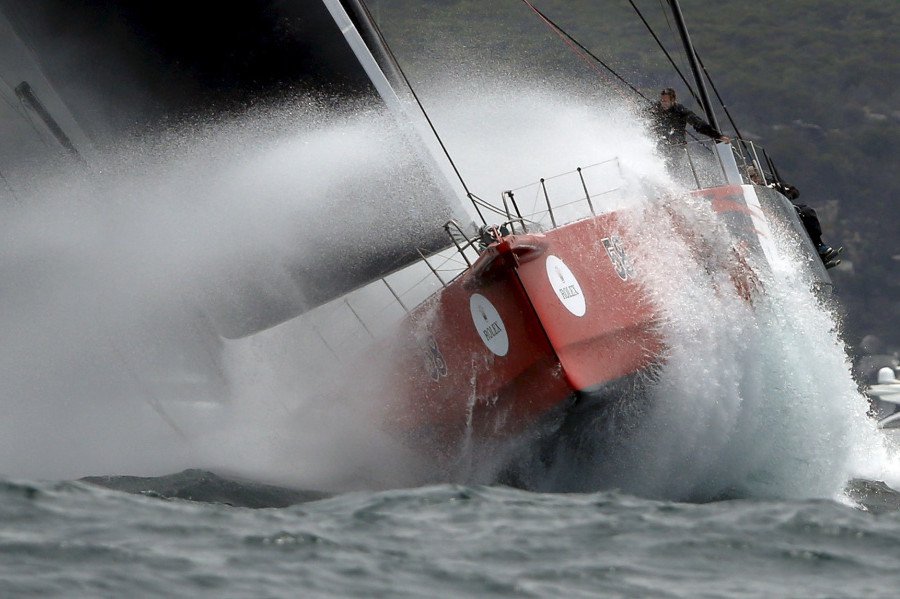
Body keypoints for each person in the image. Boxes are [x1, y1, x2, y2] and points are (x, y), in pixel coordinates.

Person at [744, 166, 842, 269]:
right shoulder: (749, 188)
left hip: (784, 209)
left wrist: (784, 190)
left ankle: (819, 245)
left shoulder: (771, 182)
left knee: (807, 212)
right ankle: (810, 258)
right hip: (769, 215)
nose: (755, 179)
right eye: (752, 177)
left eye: (756, 175)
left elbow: (795, 192)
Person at [648, 88, 731, 147]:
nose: (663, 104)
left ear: (673, 100)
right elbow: (644, 116)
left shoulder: (681, 111)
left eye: (665, 101)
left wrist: (718, 136)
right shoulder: (656, 108)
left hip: (676, 146)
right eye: (662, 101)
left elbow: (698, 123)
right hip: (659, 143)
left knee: (673, 137)